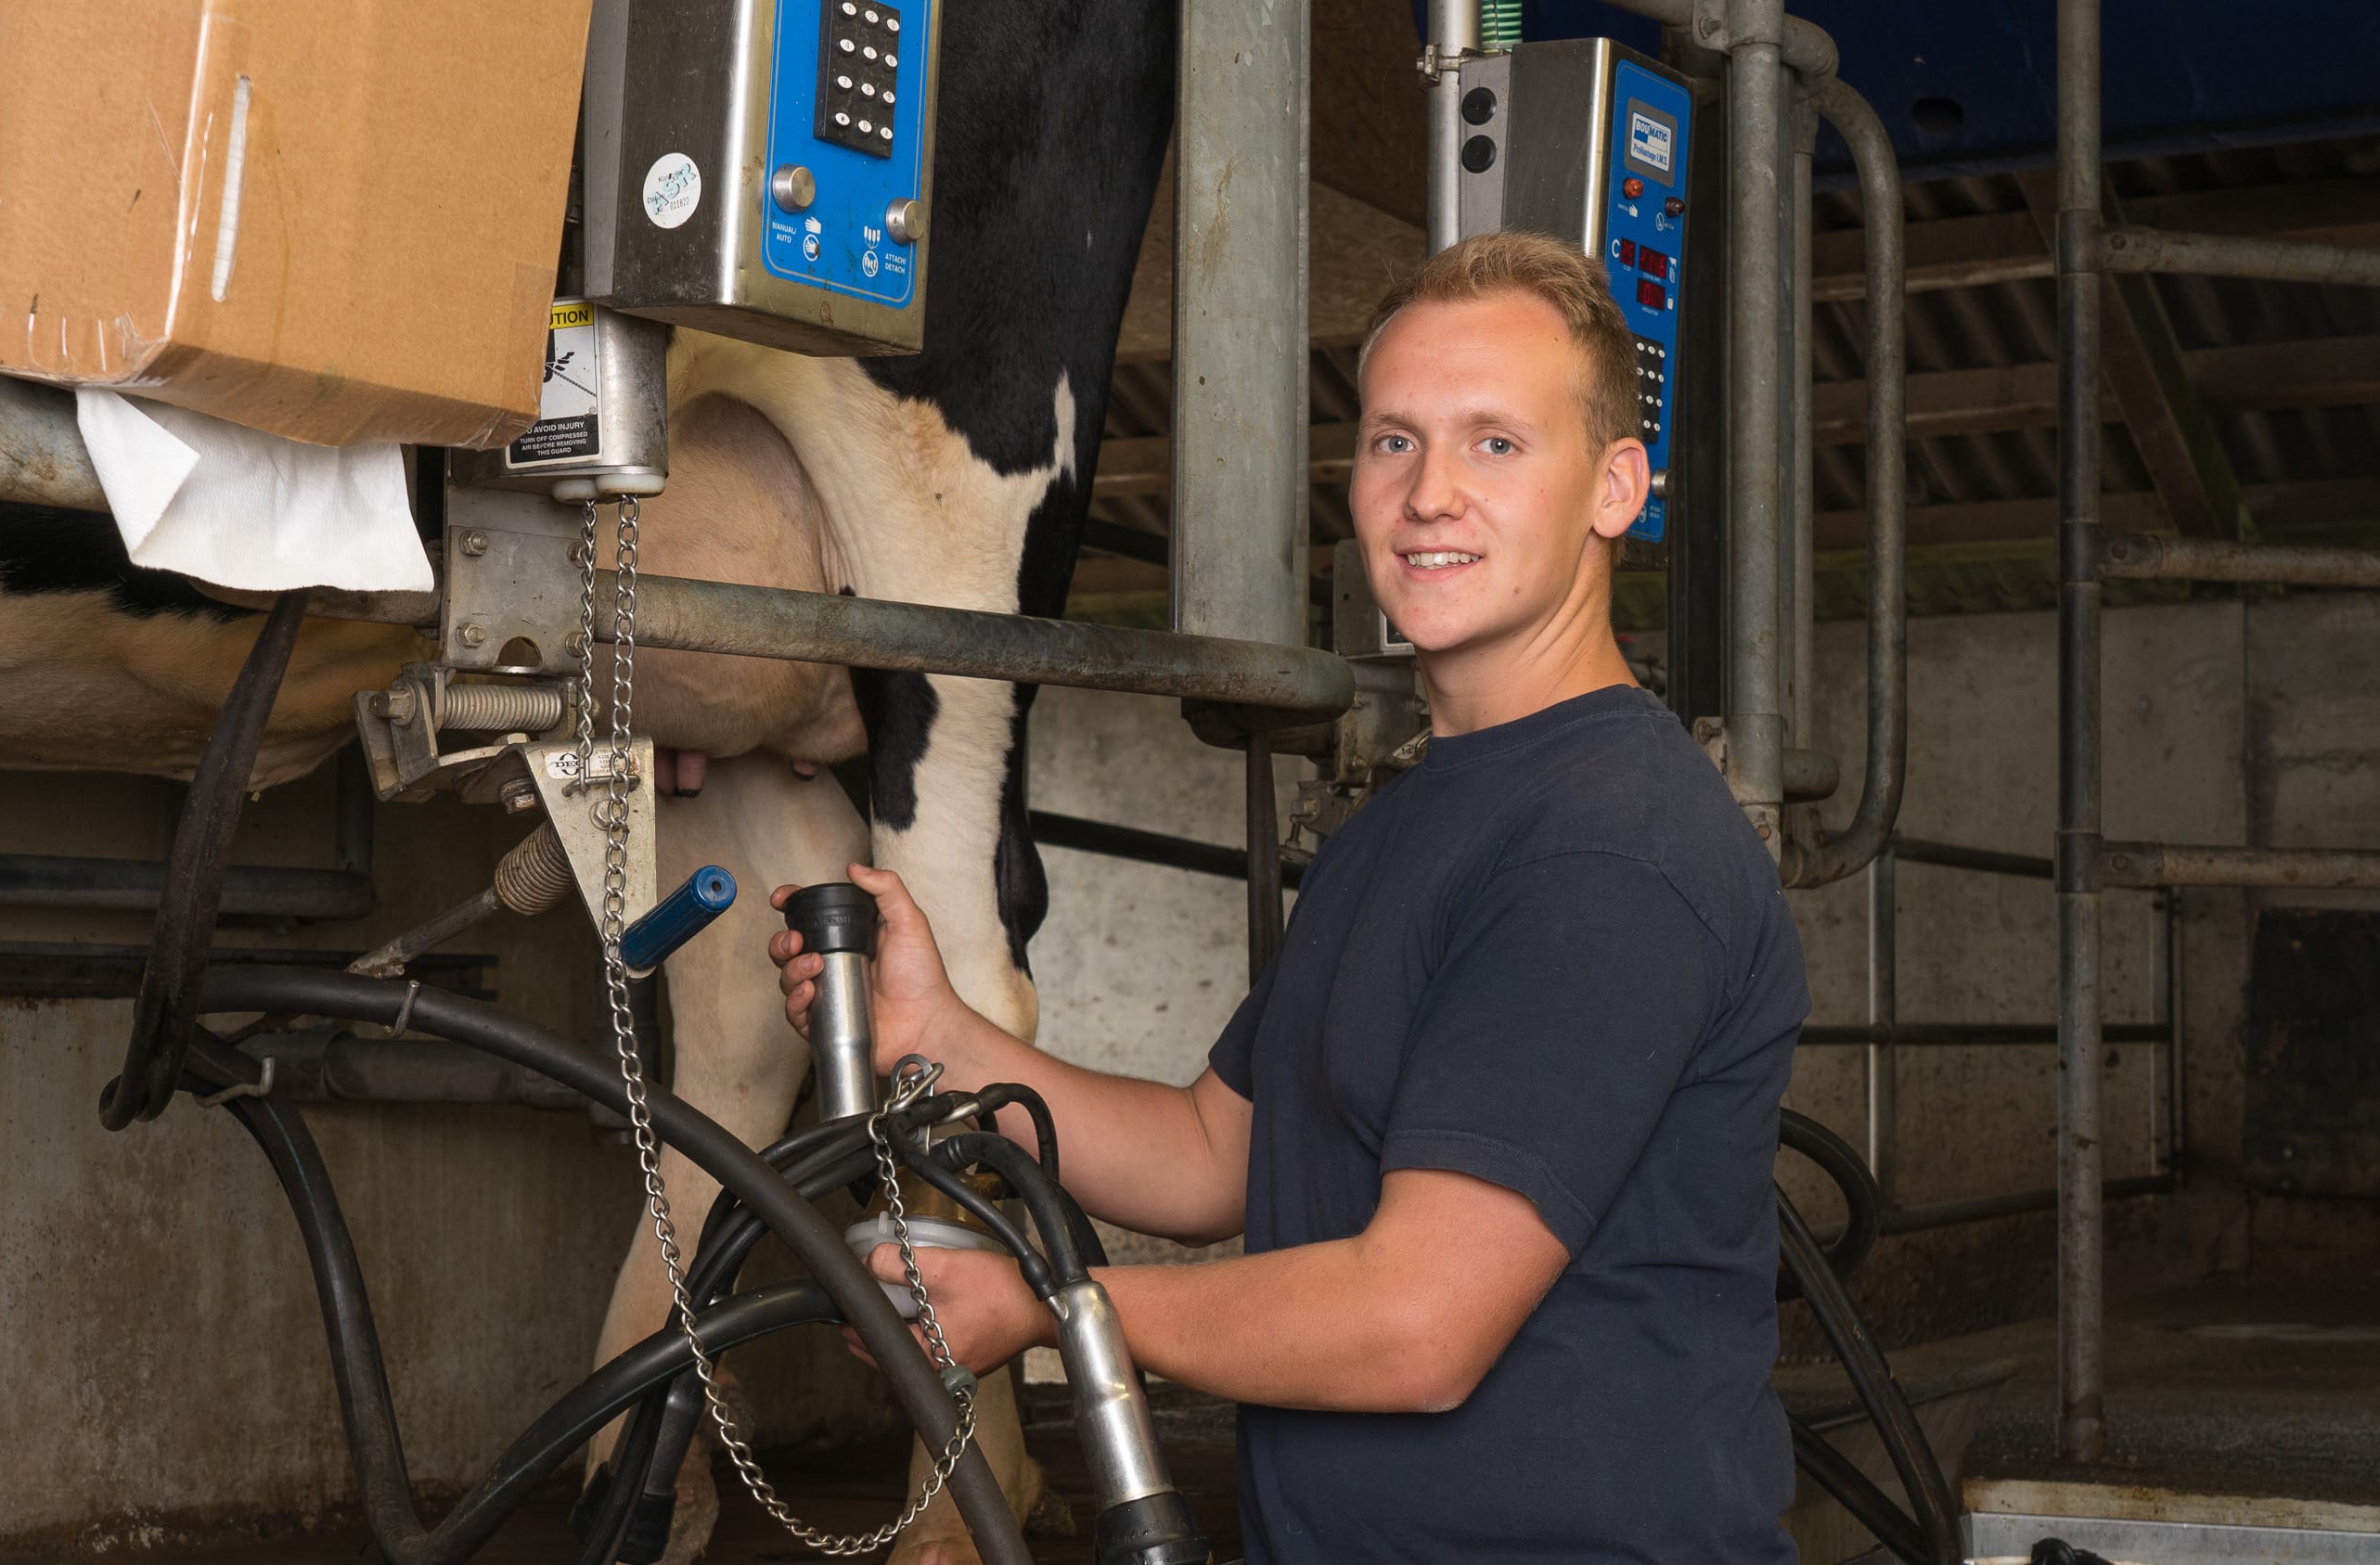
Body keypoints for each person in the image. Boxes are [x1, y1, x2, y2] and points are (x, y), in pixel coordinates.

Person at [769, 229, 1809, 1563]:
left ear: (1615, 489)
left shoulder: (1608, 848)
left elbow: (1414, 1326)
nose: (1431, 492)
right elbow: (1218, 1154)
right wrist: (943, 1039)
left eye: (1497, 443)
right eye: (1394, 441)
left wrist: (1048, 1306)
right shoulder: (1415, 813)